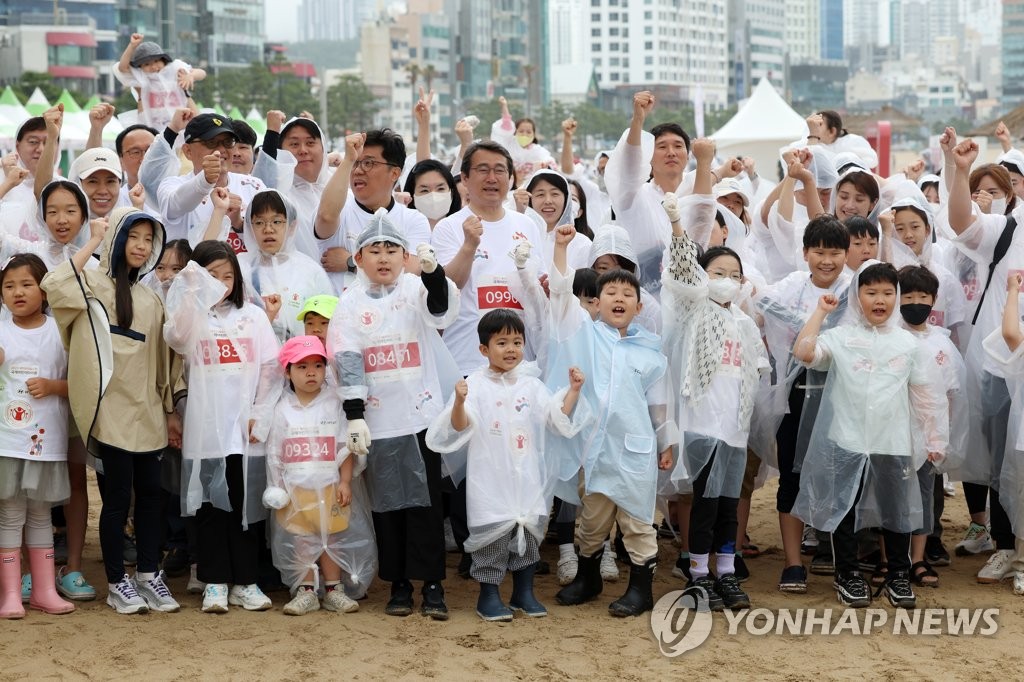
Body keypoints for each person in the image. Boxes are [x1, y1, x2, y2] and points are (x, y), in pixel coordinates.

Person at [42, 206, 178, 615]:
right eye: (132, 237)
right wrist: (95, 240)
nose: (140, 246)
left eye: (147, 239)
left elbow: (165, 362)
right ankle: (118, 581)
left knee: (151, 497)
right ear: (119, 239)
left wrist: (170, 409)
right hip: (109, 412)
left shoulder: (152, 298)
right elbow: (54, 284)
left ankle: (149, 573)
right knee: (117, 501)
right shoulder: (93, 284)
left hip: (148, 412)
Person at [792, 261, 947, 609]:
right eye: (871, 291)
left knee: (897, 511)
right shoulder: (841, 337)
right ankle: (847, 574)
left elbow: (925, 395)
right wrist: (820, 312)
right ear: (856, 295)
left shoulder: (907, 344)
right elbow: (804, 353)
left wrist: (934, 439)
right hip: (847, 440)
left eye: (888, 293)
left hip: (892, 442)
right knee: (844, 510)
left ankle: (897, 575)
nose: (881, 299)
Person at [329, 210, 459, 619]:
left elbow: (441, 310)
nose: (383, 257)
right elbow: (348, 359)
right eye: (374, 250)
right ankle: (399, 585)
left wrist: (434, 274)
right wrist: (354, 415)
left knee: (426, 506)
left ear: (404, 255)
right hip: (379, 421)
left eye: (391, 249)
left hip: (421, 416)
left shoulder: (414, 289)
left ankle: (433, 585)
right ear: (359, 256)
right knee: (387, 506)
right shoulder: (349, 304)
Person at [427, 310, 591, 621]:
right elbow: (459, 427)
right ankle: (488, 596)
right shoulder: (474, 384)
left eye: (517, 341)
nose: (511, 349)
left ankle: (523, 591)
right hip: (490, 479)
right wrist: (460, 402)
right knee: (492, 538)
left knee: (528, 535)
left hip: (527, 478)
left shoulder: (531, 385)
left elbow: (556, 419)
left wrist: (573, 391)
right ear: (483, 349)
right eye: (501, 342)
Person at [548, 223, 677, 618]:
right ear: (596, 302)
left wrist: (666, 442)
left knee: (638, 522)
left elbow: (660, 405)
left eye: (627, 294)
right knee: (592, 520)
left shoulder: (651, 353)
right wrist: (560, 247)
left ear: (640, 307)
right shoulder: (584, 334)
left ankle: (641, 589)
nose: (619, 298)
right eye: (610, 293)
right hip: (595, 448)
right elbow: (559, 294)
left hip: (636, 453)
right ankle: (588, 579)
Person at [662, 178, 769, 611]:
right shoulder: (694, 308)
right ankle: (698, 576)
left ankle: (726, 573)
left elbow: (756, 372)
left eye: (733, 275)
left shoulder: (743, 323)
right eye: (718, 274)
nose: (726, 281)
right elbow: (684, 269)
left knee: (729, 504)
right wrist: (676, 225)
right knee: (703, 504)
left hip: (734, 428)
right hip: (702, 425)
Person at [163, 242, 282, 614]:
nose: (222, 283)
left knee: (244, 510)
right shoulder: (190, 315)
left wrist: (259, 414)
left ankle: (245, 582)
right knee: (211, 510)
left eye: (228, 276)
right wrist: (193, 293)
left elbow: (270, 368)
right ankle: (215, 582)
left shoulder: (253, 316)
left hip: (244, 431)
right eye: (212, 274)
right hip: (206, 429)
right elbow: (177, 338)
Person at [753, 215, 850, 594]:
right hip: (795, 390)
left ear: (847, 254)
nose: (827, 261)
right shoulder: (792, 285)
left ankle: (831, 548)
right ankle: (793, 563)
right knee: (793, 473)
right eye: (819, 252)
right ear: (806, 253)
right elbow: (759, 304)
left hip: (842, 393)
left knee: (838, 471)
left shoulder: (854, 287)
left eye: (835, 253)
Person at [947, 139, 1022, 583]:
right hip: (1000, 365)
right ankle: (1007, 546)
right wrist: (961, 171)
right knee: (1002, 462)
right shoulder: (1007, 228)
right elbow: (960, 221)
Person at [263, 335, 376, 616]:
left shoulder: (333, 404)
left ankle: (334, 589)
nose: (311, 372)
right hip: (296, 489)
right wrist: (277, 487)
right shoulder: (282, 409)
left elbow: (344, 447)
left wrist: (346, 481)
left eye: (317, 365)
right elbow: (275, 453)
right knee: (302, 540)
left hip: (329, 486)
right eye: (301, 367)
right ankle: (306, 590)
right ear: (287, 372)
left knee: (331, 538)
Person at [0, 255, 76, 619]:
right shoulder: (0, 330)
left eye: (27, 284)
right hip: (7, 443)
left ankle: (44, 591)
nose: (18, 292)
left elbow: (81, 382)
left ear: (44, 290)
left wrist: (53, 386)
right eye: (9, 285)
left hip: (46, 442)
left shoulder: (58, 331)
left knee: (42, 514)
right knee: (11, 514)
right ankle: (12, 595)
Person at [897, 265, 967, 588]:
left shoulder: (941, 344)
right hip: (893, 434)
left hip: (927, 437)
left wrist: (940, 435)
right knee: (891, 495)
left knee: (924, 497)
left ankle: (919, 558)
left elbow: (949, 395)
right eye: (907, 295)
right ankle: (890, 559)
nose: (915, 301)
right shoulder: (890, 337)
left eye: (922, 296)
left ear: (934, 300)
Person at [315, 130, 432, 294]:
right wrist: (348, 159)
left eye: (369, 163)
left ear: (394, 173)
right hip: (342, 315)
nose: (358, 171)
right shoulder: (339, 210)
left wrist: (351, 262)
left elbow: (409, 270)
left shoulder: (414, 219)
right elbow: (326, 216)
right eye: (356, 163)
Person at [151, 110, 266, 244]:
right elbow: (175, 203)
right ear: (188, 151)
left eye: (228, 142)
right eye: (211, 143)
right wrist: (205, 180)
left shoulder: (254, 186)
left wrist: (239, 224)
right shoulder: (172, 185)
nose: (222, 149)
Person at [235, 189, 331, 342]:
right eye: (259, 223)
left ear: (292, 226)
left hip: (301, 361)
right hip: (255, 360)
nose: (268, 229)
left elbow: (329, 321)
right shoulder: (239, 267)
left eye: (277, 221)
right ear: (250, 228)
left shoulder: (310, 270)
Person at [114, 33, 205, 132]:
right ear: (140, 67)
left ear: (163, 60)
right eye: (147, 64)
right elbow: (122, 68)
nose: (153, 66)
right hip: (153, 122)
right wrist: (132, 46)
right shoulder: (141, 77)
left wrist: (190, 76)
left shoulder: (174, 69)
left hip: (183, 118)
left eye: (157, 61)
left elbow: (202, 73)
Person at [489, 96, 556, 186]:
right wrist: (504, 106)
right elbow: (507, 124)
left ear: (534, 134)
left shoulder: (537, 151)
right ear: (515, 132)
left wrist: (545, 165)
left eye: (528, 132)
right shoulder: (509, 144)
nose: (525, 134)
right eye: (521, 131)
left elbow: (551, 164)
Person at [806, 111, 878, 170]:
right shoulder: (813, 143)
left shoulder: (852, 142)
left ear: (832, 131)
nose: (813, 127)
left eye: (819, 124)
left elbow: (871, 161)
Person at [403, 159, 462, 229]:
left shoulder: (464, 229)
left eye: (440, 189)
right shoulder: (401, 230)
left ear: (452, 192)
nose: (433, 197)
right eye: (424, 190)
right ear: (412, 195)